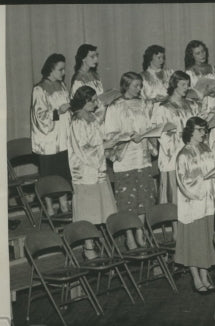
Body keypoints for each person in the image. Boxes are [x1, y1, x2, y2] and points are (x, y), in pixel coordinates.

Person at [104, 72, 156, 249]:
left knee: (144, 198)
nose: (139, 89)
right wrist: (127, 136)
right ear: (125, 86)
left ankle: (140, 232)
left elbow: (150, 126)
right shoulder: (115, 107)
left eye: (140, 85)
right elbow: (110, 133)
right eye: (135, 86)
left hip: (142, 156)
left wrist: (147, 134)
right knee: (128, 200)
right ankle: (129, 236)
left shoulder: (143, 105)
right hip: (125, 159)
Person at [67, 86, 117, 260]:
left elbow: (98, 140)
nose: (96, 104)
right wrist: (104, 147)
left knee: (100, 209)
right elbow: (82, 150)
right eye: (93, 100)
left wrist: (110, 144)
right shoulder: (77, 122)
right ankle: (88, 246)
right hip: (85, 171)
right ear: (83, 101)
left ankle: (98, 243)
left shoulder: (93, 119)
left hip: (98, 169)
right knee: (88, 211)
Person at [174, 117, 215, 295]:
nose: (203, 134)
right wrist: (203, 181)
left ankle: (205, 275)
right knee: (194, 241)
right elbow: (183, 183)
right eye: (200, 130)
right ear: (190, 132)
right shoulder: (183, 155)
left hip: (208, 202)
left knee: (206, 239)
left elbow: (213, 170)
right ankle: (196, 278)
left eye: (205, 130)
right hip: (193, 204)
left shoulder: (206, 149)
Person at [152, 71, 207, 204]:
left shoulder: (192, 105)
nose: (186, 88)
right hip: (173, 155)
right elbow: (162, 135)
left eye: (188, 85)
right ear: (174, 85)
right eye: (183, 84)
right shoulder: (163, 108)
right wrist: (184, 136)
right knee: (176, 199)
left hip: (192, 152)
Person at [31, 53, 72, 217]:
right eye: (60, 69)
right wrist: (57, 111)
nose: (63, 73)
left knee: (62, 172)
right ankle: (48, 206)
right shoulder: (39, 89)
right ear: (50, 69)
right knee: (49, 174)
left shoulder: (62, 86)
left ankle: (63, 203)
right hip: (48, 140)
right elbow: (39, 115)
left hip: (63, 137)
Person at [184, 40, 215, 113]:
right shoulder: (189, 72)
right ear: (192, 56)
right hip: (199, 108)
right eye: (198, 53)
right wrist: (204, 93)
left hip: (213, 105)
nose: (202, 55)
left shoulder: (211, 67)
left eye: (203, 51)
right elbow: (187, 94)